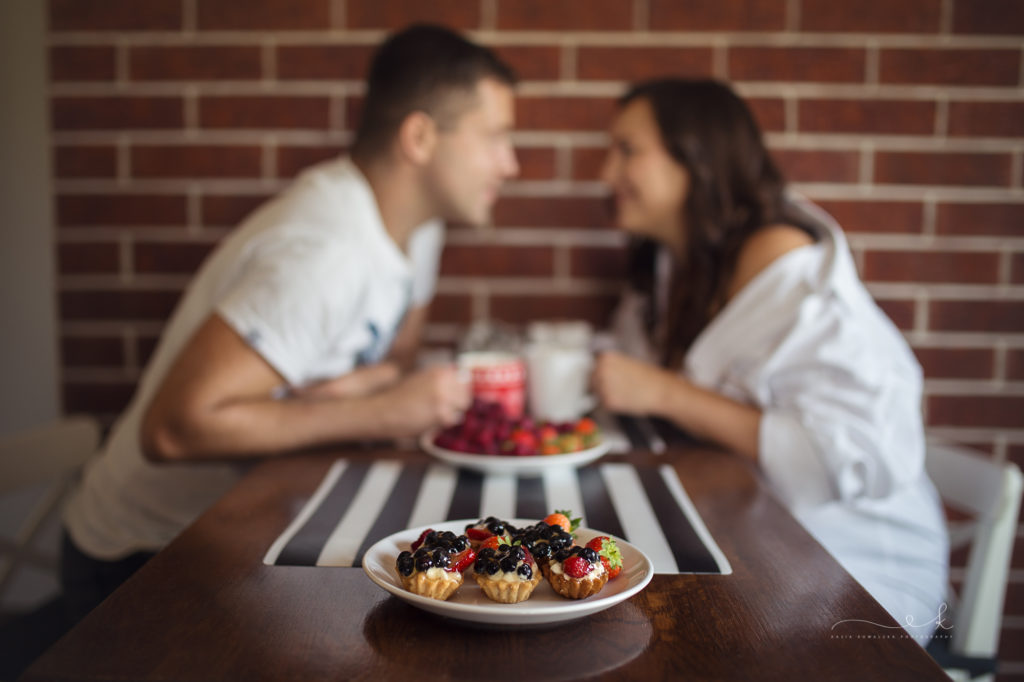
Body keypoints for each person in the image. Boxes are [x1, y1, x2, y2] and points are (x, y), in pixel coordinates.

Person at [1, 24, 519, 680]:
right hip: (144, 560)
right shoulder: (323, 253)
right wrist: (381, 409)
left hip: (243, 529)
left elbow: (396, 351)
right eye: (497, 137)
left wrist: (368, 387)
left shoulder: (417, 223)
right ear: (419, 138)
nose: (512, 163)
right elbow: (173, 429)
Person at [591, 78, 949, 637]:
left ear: (696, 158)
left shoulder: (787, 264)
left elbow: (859, 451)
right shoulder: (670, 265)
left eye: (627, 151)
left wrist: (664, 392)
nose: (605, 175)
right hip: (742, 530)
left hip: (852, 555)